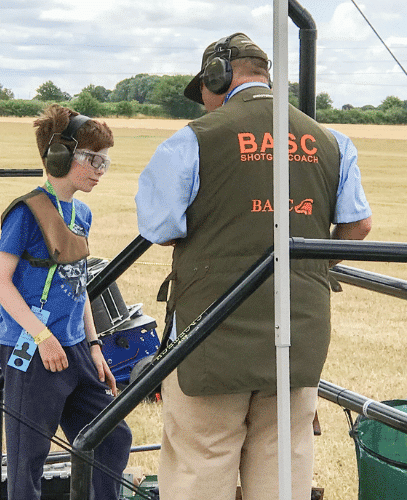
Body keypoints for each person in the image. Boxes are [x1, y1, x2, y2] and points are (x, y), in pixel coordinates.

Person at [134, 33, 372, 500]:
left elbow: (158, 226)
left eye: (202, 88)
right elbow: (358, 226)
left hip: (209, 330)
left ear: (216, 77)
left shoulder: (193, 139)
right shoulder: (332, 141)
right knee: (283, 463)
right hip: (299, 329)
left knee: (201, 462)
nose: (203, 102)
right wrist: (309, 270)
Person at [0, 104, 132, 500]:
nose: (100, 169)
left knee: (112, 437)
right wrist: (41, 336)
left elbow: (79, 282)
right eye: (91, 159)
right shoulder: (26, 212)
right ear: (60, 156)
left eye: (104, 160)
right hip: (32, 350)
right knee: (28, 460)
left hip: (74, 350)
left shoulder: (81, 213)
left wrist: (94, 344)